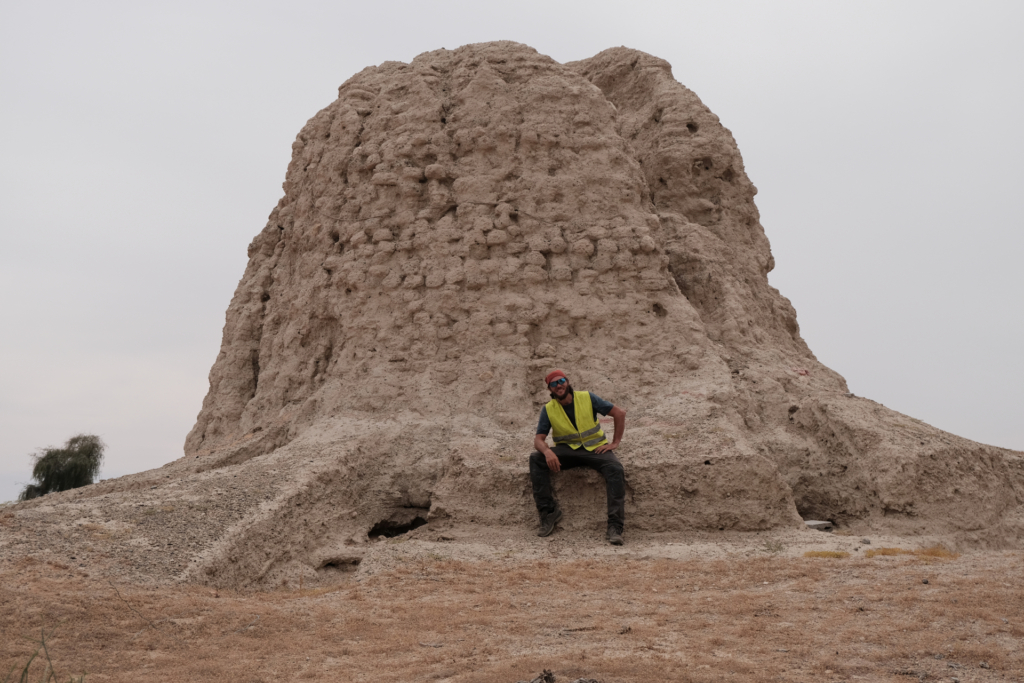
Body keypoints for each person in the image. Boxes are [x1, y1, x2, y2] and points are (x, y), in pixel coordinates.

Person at [529, 369, 627, 545]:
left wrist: (615, 443)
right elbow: (538, 439)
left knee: (615, 469)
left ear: (567, 382)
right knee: (536, 459)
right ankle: (548, 513)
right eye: (554, 384)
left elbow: (619, 413)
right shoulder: (549, 409)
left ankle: (615, 526)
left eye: (561, 381)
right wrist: (547, 452)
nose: (559, 385)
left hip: (595, 449)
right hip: (568, 451)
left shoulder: (587, 397)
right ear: (550, 389)